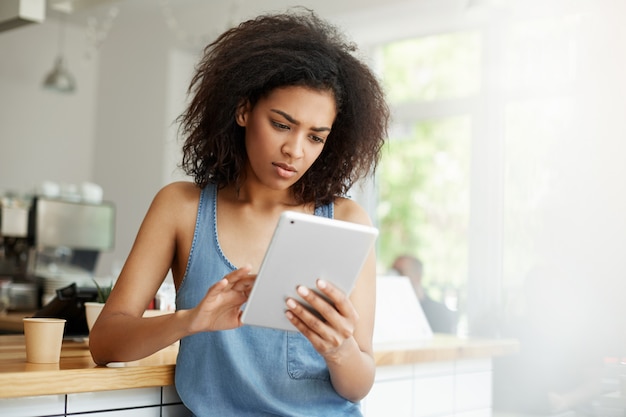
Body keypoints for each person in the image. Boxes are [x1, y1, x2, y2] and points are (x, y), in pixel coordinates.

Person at [88, 8, 389, 417]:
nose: (295, 150)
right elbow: (105, 343)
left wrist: (340, 349)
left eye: (316, 137)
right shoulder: (182, 208)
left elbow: (359, 384)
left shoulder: (345, 219)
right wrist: (190, 321)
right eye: (282, 124)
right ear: (243, 110)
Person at [392, 255, 457, 334]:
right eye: (392, 272)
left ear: (417, 276)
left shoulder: (439, 313)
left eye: (400, 272)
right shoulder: (392, 313)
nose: (393, 277)